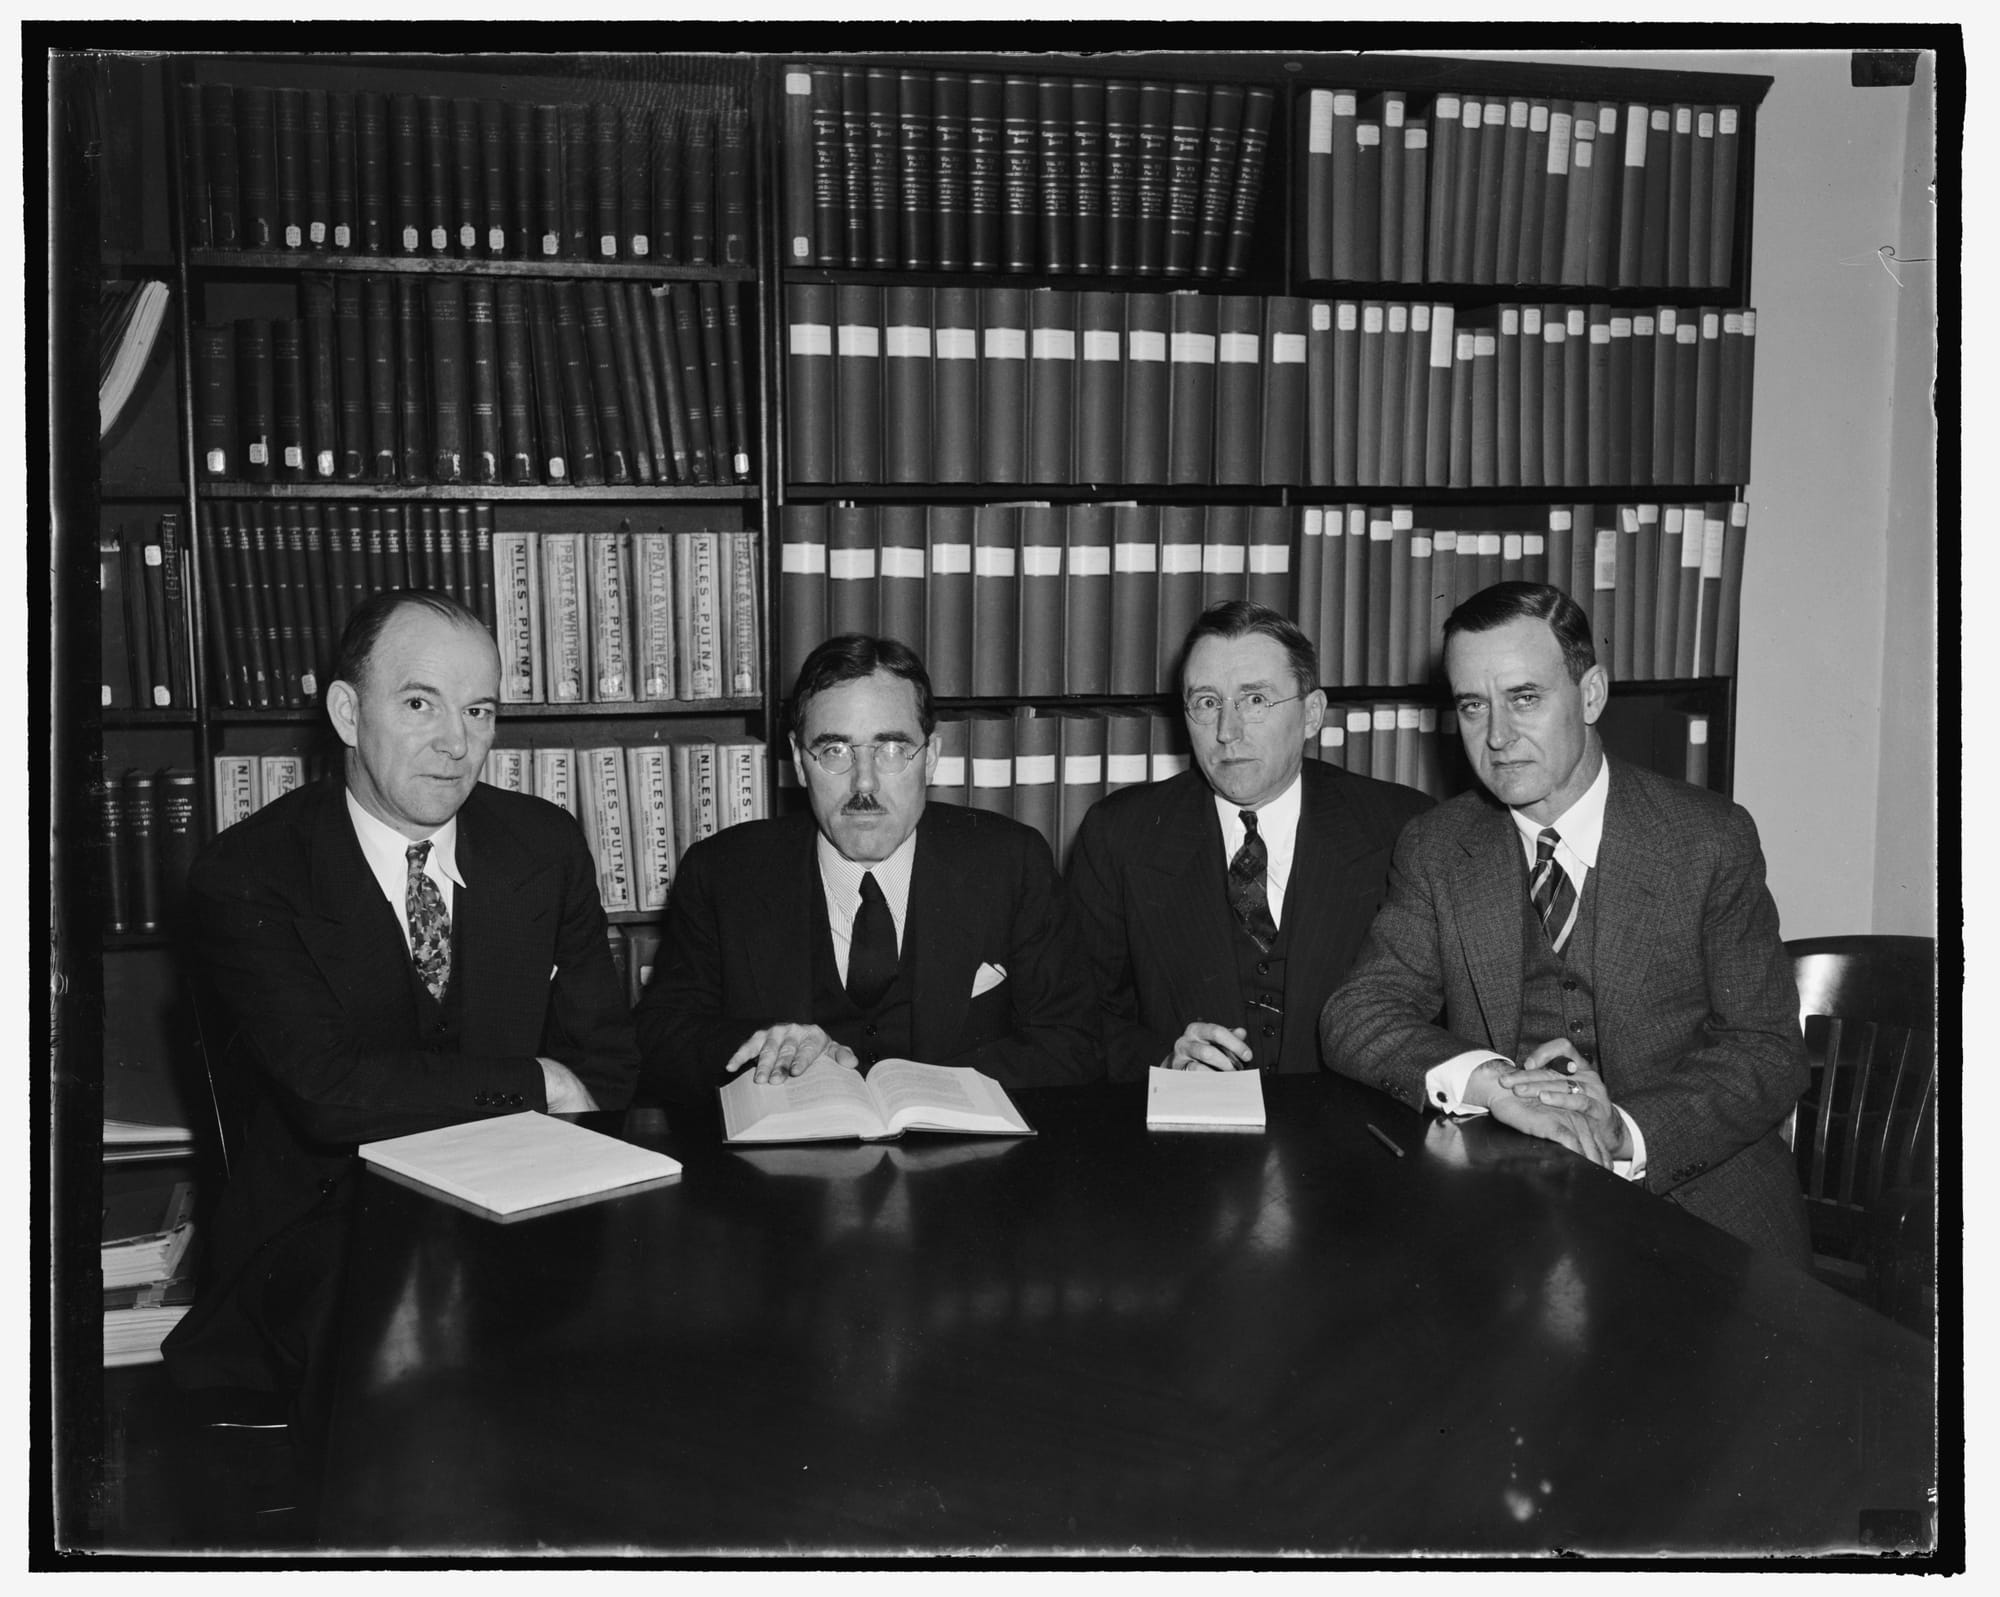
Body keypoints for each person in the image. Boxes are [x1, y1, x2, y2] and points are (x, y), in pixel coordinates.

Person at [164, 590, 639, 1409]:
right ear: (348, 713)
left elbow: (608, 1065)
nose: (457, 744)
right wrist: (538, 1083)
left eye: (480, 710)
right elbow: (331, 1093)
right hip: (329, 1233)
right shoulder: (249, 873)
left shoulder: (544, 844)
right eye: (420, 703)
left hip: (527, 1210)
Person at [1320, 582, 1809, 1262]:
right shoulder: (1438, 846)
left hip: (1699, 1216)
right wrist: (1491, 1082)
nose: (1495, 736)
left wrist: (1623, 1132)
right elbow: (1356, 1013)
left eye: (1524, 698)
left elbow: (1768, 1048)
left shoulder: (1706, 839)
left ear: (1590, 695)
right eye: (1472, 705)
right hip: (1504, 1218)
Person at [635, 634, 1097, 1096]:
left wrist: (927, 1089)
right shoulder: (722, 873)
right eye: (835, 750)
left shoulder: (1010, 862)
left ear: (930, 758)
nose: (865, 782)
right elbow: (659, 1040)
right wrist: (759, 1047)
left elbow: (1071, 1042)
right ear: (799, 761)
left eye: (891, 748)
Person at [1067, 601, 1433, 1078]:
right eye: (1207, 702)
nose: (1227, 731)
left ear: (1311, 714)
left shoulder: (1403, 827)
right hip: (1188, 1139)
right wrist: (1161, 1061)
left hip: (1353, 1133)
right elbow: (1077, 1017)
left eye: (1255, 700)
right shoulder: (1120, 834)